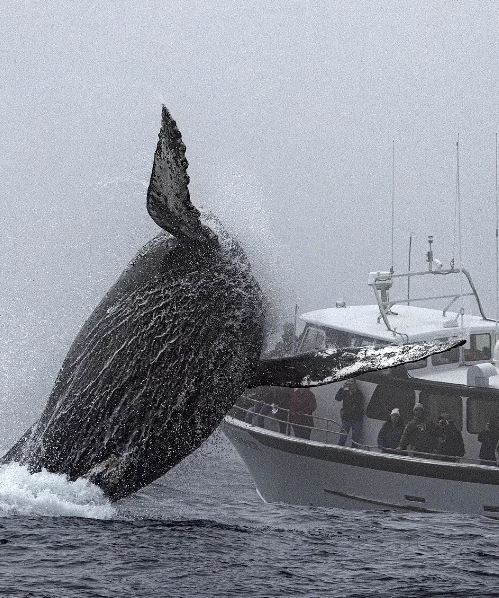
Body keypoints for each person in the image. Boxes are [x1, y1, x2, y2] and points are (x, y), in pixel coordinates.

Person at [335, 379, 364, 446]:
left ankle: (352, 454)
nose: (350, 384)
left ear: (355, 384)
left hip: (356, 419)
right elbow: (337, 398)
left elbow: (357, 405)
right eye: (349, 383)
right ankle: (338, 452)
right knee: (342, 438)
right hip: (346, 418)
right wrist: (342, 387)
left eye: (352, 383)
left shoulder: (359, 393)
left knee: (355, 440)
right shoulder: (345, 392)